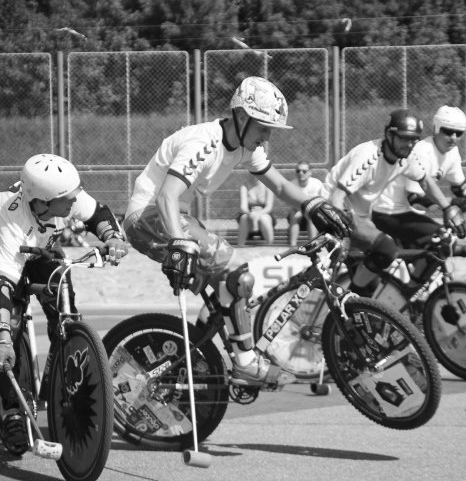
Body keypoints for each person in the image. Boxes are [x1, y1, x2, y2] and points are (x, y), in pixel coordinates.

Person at [121, 76, 351, 386]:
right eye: (263, 129)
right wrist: (179, 244)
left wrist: (314, 206)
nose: (266, 138)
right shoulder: (204, 142)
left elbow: (282, 187)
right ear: (241, 117)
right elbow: (167, 196)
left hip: (174, 217)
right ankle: (245, 362)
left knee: (234, 284)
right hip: (148, 217)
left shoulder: (244, 146)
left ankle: (200, 351)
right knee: (232, 268)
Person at [0, 153, 129, 452]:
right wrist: (2, 336)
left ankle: (62, 359)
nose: (73, 201)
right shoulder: (12, 222)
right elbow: (1, 285)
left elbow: (98, 213)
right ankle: (13, 411)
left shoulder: (62, 194)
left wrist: (113, 237)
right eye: (67, 199)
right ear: (41, 203)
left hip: (39, 244)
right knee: (10, 324)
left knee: (62, 295)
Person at [323, 108, 464, 296]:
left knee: (370, 282)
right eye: (405, 138)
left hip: (361, 215)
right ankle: (349, 307)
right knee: (386, 250)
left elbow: (425, 180)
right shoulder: (368, 158)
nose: (410, 144)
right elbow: (337, 197)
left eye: (415, 139)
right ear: (389, 135)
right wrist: (342, 236)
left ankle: (351, 309)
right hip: (333, 211)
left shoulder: (405, 157)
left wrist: (447, 208)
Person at [372, 105, 466, 248]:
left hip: (406, 211)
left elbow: (462, 189)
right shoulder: (422, 151)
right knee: (441, 243)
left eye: (459, 133)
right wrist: (453, 203)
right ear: (436, 129)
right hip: (388, 210)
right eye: (448, 132)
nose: (453, 138)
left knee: (439, 248)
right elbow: (415, 197)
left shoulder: (452, 153)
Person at [287, 161, 325, 246]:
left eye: (304, 171)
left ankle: (313, 244)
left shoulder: (317, 184)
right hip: (297, 211)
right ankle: (292, 246)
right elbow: (292, 203)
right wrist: (301, 211)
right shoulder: (292, 184)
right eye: (298, 171)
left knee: (311, 217)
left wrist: (306, 211)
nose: (301, 173)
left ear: (310, 173)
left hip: (313, 212)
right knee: (295, 216)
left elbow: (321, 202)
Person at [237, 180, 276, 245]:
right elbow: (243, 207)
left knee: (264, 218)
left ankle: (270, 245)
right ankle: (240, 246)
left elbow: (269, 207)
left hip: (265, 213)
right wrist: (250, 213)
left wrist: (258, 214)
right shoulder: (245, 186)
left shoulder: (268, 186)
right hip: (249, 214)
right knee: (243, 218)